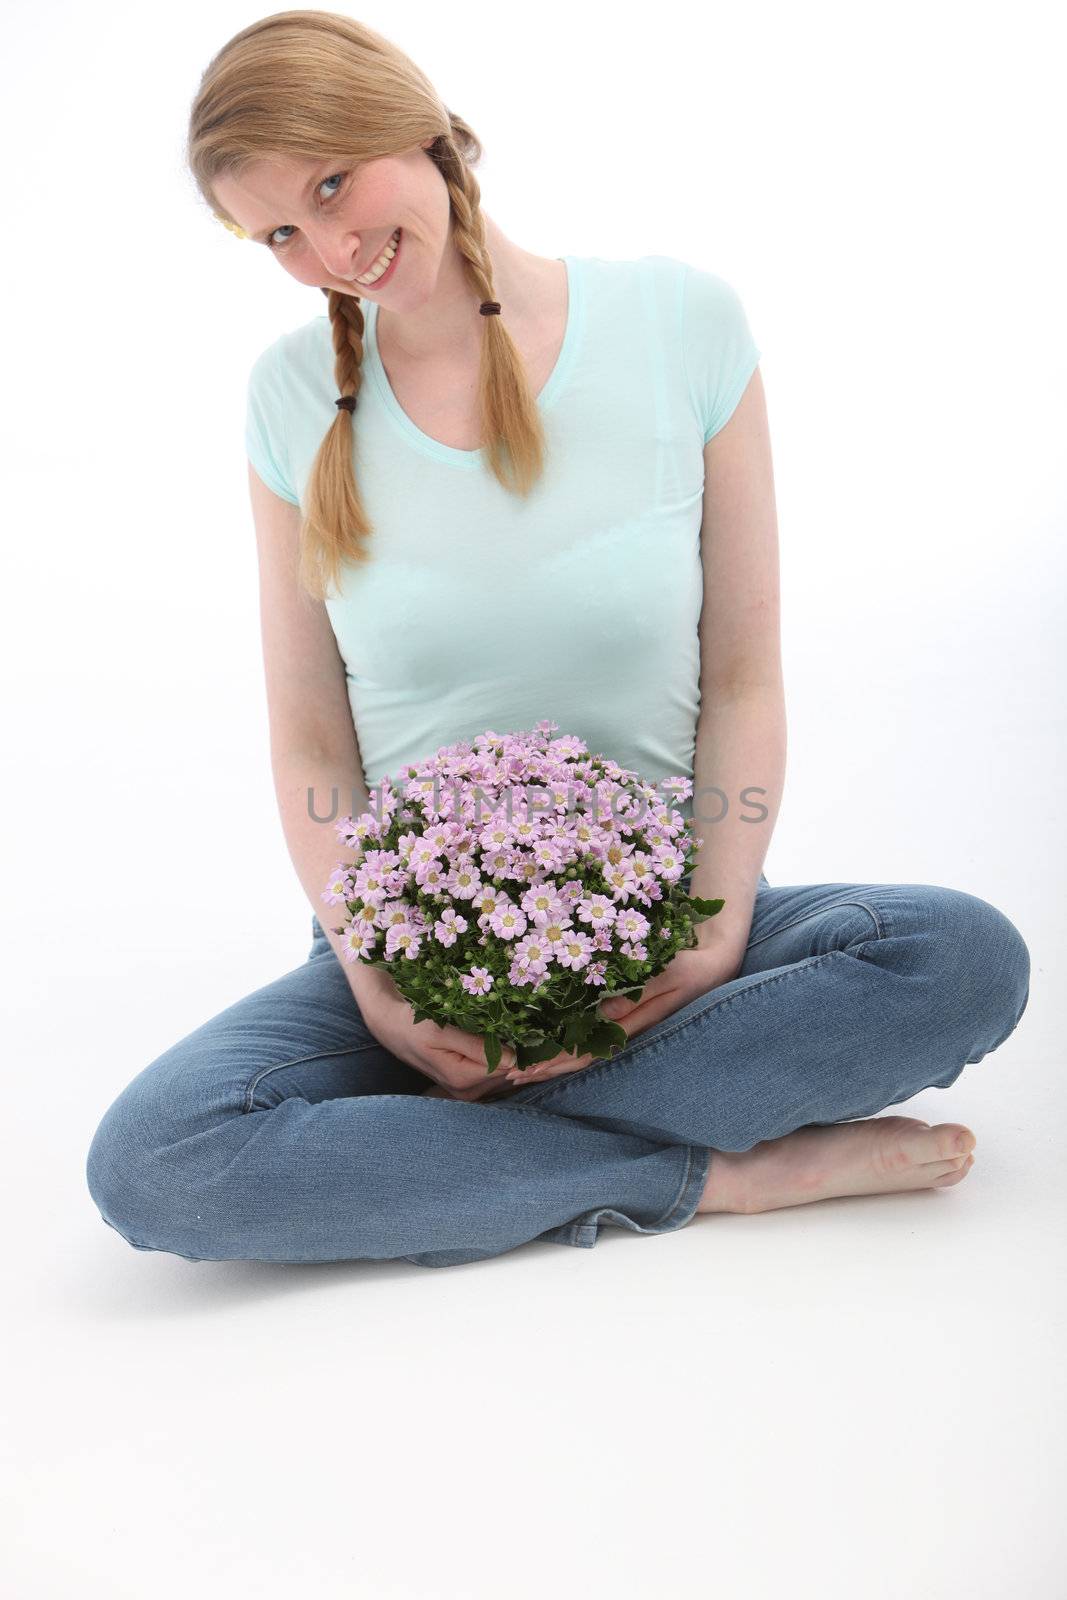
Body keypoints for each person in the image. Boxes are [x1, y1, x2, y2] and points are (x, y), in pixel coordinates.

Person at [85, 11, 1031, 1269]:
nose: (330, 251)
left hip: (654, 930)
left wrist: (708, 925)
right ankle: (707, 1176)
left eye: (330, 184)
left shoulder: (680, 326)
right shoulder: (287, 398)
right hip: (411, 952)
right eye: (279, 235)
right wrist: (374, 981)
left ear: (415, 129)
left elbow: (744, 675)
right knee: (156, 1161)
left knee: (958, 958)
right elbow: (311, 733)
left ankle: (424, 1164)